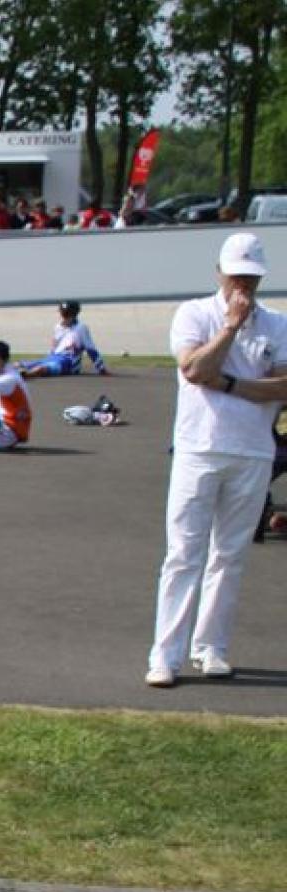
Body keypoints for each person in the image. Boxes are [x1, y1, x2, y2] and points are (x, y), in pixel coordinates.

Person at [146, 233, 287, 687]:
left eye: (251, 277)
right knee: (183, 553)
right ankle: (166, 655)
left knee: (230, 555)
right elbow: (193, 369)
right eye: (236, 275)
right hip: (199, 447)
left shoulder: (278, 324)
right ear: (220, 272)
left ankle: (211, 648)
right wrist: (229, 328)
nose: (243, 284)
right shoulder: (194, 313)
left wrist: (228, 384)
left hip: (253, 449)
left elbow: (283, 386)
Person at [18, 301, 108, 378]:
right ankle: (16, 374)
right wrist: (49, 357)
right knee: (19, 364)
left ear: (74, 314)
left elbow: (91, 349)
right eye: (63, 313)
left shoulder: (81, 328)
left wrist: (101, 368)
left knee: (41, 369)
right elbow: (54, 347)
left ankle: (26, 375)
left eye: (67, 314)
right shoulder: (58, 327)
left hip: (69, 362)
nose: (64, 316)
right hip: (54, 358)